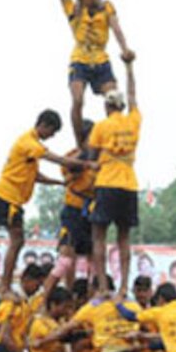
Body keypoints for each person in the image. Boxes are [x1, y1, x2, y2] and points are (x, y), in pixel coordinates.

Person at [0, 109, 90, 293]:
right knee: (17, 240)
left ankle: (4, 284)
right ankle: (4, 285)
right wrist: (85, 164)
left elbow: (35, 175)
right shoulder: (29, 143)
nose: (51, 136)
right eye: (52, 132)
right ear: (44, 125)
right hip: (8, 196)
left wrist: (58, 182)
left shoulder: (31, 144)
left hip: (13, 198)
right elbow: (58, 160)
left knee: (18, 240)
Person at [57, 0, 134, 145]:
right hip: (80, 59)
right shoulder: (74, 10)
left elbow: (116, 28)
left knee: (115, 99)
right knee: (77, 100)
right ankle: (79, 142)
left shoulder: (106, 7)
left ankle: (113, 137)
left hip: (101, 59)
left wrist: (125, 49)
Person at [89, 57, 142, 298]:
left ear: (107, 107)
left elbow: (91, 155)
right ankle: (122, 287)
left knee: (99, 236)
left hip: (107, 183)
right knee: (124, 238)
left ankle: (101, 287)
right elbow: (133, 95)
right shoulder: (133, 121)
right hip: (129, 184)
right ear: (121, 106)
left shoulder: (100, 127)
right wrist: (130, 68)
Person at [42, 278, 144, 352]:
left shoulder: (93, 306)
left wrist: (40, 342)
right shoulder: (133, 304)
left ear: (96, 289)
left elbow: (63, 331)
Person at [0, 264, 56, 352]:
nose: (38, 289)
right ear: (26, 279)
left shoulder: (25, 304)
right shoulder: (11, 303)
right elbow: (4, 337)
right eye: (37, 285)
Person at [58, 119, 98, 288]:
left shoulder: (101, 159)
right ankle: (69, 290)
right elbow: (66, 176)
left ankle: (92, 290)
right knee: (69, 251)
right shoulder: (71, 156)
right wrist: (82, 162)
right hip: (73, 208)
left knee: (94, 252)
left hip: (93, 209)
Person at [28, 287, 74, 352]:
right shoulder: (40, 322)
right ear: (53, 305)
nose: (67, 311)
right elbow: (59, 335)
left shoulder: (61, 321)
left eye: (69, 307)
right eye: (65, 307)